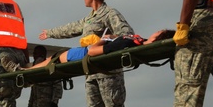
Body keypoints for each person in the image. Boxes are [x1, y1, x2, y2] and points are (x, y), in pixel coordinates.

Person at [29, 30, 174, 67]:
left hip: (84, 53)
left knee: (52, 61)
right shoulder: (137, 41)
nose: (156, 30)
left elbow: (92, 51)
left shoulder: (128, 44)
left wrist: (103, 39)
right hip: (85, 51)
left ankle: (25, 71)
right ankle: (26, 70)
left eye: (160, 31)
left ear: (156, 38)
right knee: (51, 60)